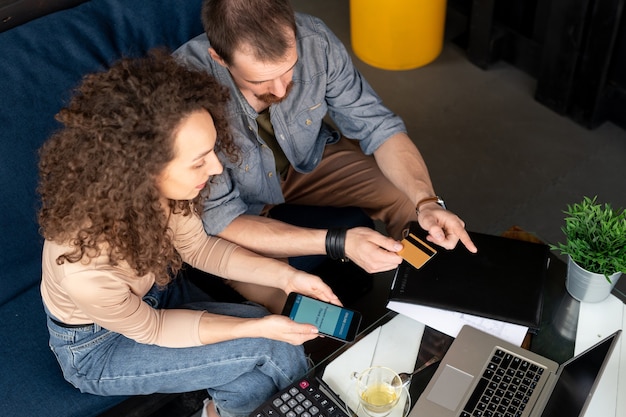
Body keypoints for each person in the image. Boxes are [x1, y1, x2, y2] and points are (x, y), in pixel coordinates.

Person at [37, 49, 342, 417]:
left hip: (152, 300)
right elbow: (154, 329)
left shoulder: (165, 194)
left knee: (252, 380)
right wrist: (258, 326)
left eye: (212, 150)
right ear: (142, 171)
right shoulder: (85, 270)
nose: (215, 168)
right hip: (98, 347)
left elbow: (200, 249)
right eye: (199, 160)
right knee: (273, 347)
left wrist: (289, 278)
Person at [173, 0, 477, 277]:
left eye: (289, 70)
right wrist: (337, 242)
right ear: (219, 58)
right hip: (238, 200)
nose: (280, 91)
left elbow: (378, 127)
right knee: (279, 291)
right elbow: (222, 217)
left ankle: (431, 305)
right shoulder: (182, 84)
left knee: (408, 201)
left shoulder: (315, 41)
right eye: (260, 80)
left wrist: (427, 200)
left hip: (307, 161)